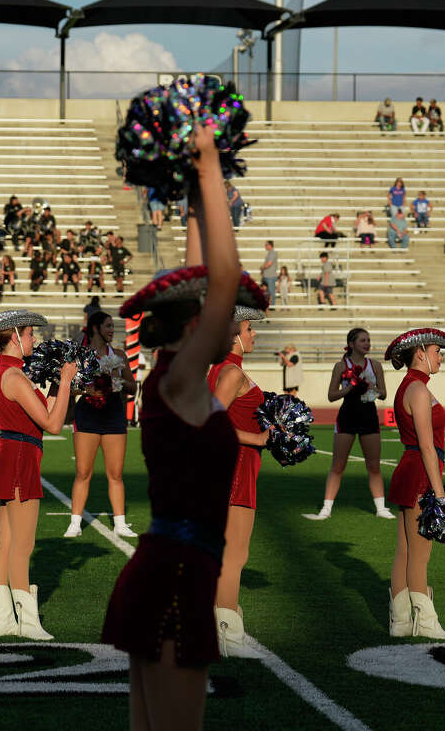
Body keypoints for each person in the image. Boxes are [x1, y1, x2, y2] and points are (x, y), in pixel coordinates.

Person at [103, 124, 262, 729]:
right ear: (192, 328)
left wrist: (194, 190)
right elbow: (221, 281)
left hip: (173, 568)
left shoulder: (178, 374)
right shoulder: (178, 377)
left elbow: (203, 278)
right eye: (210, 313)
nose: (226, 311)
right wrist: (212, 168)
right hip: (175, 574)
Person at [0, 310, 76, 641]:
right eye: (29, 333)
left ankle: (1, 620)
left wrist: (57, 383)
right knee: (22, 544)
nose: (34, 339)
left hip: (14, 454)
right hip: (20, 458)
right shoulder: (15, 377)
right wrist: (65, 380)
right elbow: (53, 425)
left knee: (7, 541)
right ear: (14, 337)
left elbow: (49, 414)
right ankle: (27, 621)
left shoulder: (12, 373)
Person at [385, 328, 445, 640]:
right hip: (419, 473)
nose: (440, 357)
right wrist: (439, 494)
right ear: (420, 354)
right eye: (436, 351)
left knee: (405, 550)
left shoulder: (411, 386)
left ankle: (400, 622)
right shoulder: (417, 389)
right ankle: (425, 623)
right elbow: (428, 447)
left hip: (410, 468)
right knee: (419, 553)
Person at [209, 304, 269, 657]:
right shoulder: (230, 371)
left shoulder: (223, 368)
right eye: (248, 329)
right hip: (236, 465)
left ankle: (222, 626)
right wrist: (258, 439)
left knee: (227, 554)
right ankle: (228, 635)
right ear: (234, 334)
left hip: (233, 464)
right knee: (235, 555)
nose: (253, 334)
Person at [306, 327, 394, 521]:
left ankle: (381, 508)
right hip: (347, 416)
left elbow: (384, 394)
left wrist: (371, 387)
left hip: (369, 416)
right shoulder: (341, 366)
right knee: (338, 465)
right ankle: (326, 509)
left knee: (374, 466)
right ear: (352, 344)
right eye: (362, 340)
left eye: (368, 340)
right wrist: (351, 387)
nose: (367, 344)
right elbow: (331, 396)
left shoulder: (376, 365)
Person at [65, 310, 137, 539]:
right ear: (95, 328)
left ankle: (120, 523)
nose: (111, 330)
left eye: (112, 326)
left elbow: (133, 388)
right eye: (107, 326)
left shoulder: (118, 354)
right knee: (83, 472)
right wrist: (88, 388)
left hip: (114, 415)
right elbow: (70, 387)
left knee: (115, 474)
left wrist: (114, 380)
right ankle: (75, 523)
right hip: (88, 415)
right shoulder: (81, 356)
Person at [260, 240, 278, 304]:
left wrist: (262, 267)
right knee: (266, 291)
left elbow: (269, 263)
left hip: (270, 276)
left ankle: (272, 305)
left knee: (271, 291)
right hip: (267, 275)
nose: (265, 246)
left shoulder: (273, 253)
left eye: (266, 245)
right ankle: (268, 304)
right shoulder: (270, 253)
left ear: (270, 245)